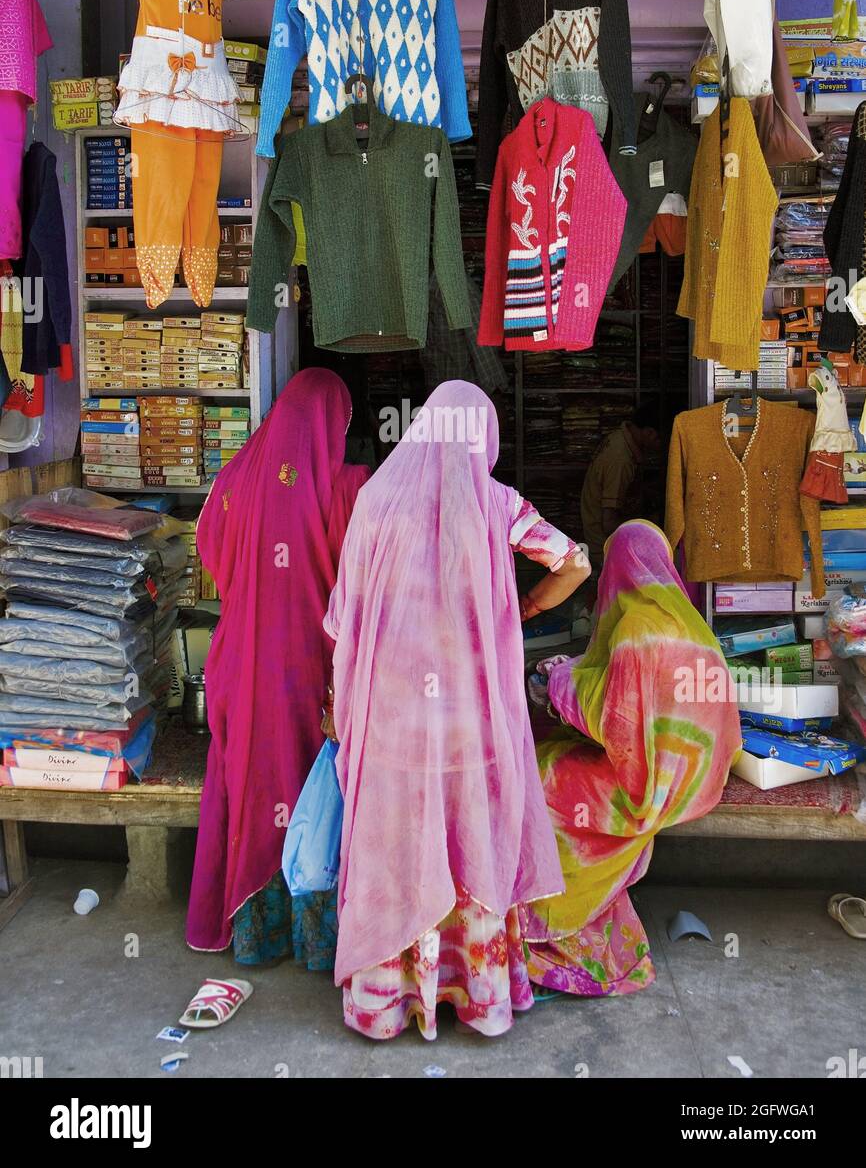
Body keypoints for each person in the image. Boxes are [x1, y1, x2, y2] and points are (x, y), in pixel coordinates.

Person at [325, 380, 590, 1040]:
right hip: (470, 725)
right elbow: (575, 564)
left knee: (398, 850)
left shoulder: (376, 501)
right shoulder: (497, 504)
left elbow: (344, 622)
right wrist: (524, 609)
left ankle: (390, 1003)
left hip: (393, 726)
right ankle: (476, 996)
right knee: (470, 839)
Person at [186, 368, 370, 966]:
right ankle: (312, 938)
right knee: (310, 786)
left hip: (239, 663)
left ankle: (252, 933)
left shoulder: (236, 476)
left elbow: (210, 551)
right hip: (310, 666)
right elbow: (366, 578)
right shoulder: (347, 487)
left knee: (249, 782)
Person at [522, 520, 741, 995]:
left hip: (642, 788)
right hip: (699, 780)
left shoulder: (637, 630)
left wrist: (558, 683)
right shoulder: (691, 626)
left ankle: (560, 931)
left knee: (537, 780)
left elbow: (616, 722)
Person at [579, 402, 662, 580]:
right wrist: (647, 527)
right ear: (648, 433)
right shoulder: (621, 460)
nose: (659, 447)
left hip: (604, 531)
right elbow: (608, 523)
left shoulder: (620, 437)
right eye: (659, 440)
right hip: (604, 544)